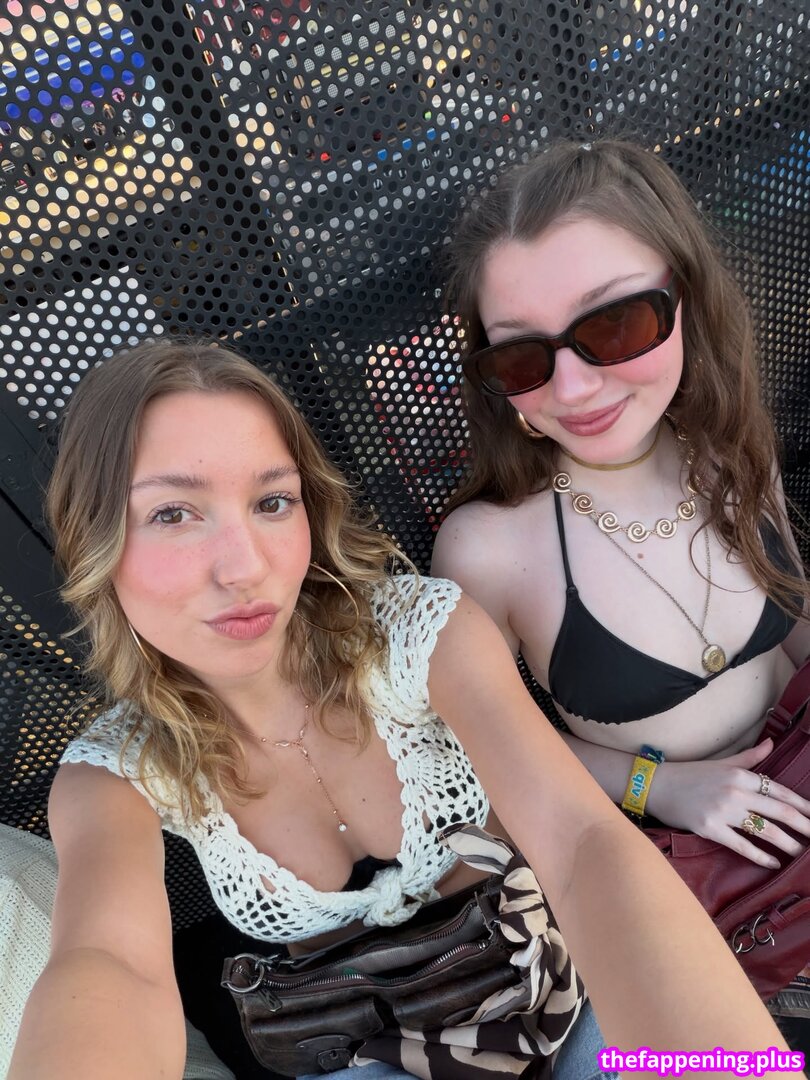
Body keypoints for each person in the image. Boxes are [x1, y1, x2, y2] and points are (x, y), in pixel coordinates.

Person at [8, 340, 794, 1080]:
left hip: (547, 980)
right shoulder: (113, 776)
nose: (245, 567)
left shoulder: (418, 635)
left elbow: (579, 838)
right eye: (173, 513)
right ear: (95, 538)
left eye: (273, 501)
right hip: (369, 1047)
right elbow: (110, 963)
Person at [431, 138, 810, 1017]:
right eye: (523, 358)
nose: (572, 387)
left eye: (614, 325)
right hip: (694, 882)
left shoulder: (730, 447)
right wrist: (661, 786)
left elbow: (794, 617)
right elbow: (482, 758)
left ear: (686, 297)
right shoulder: (487, 549)